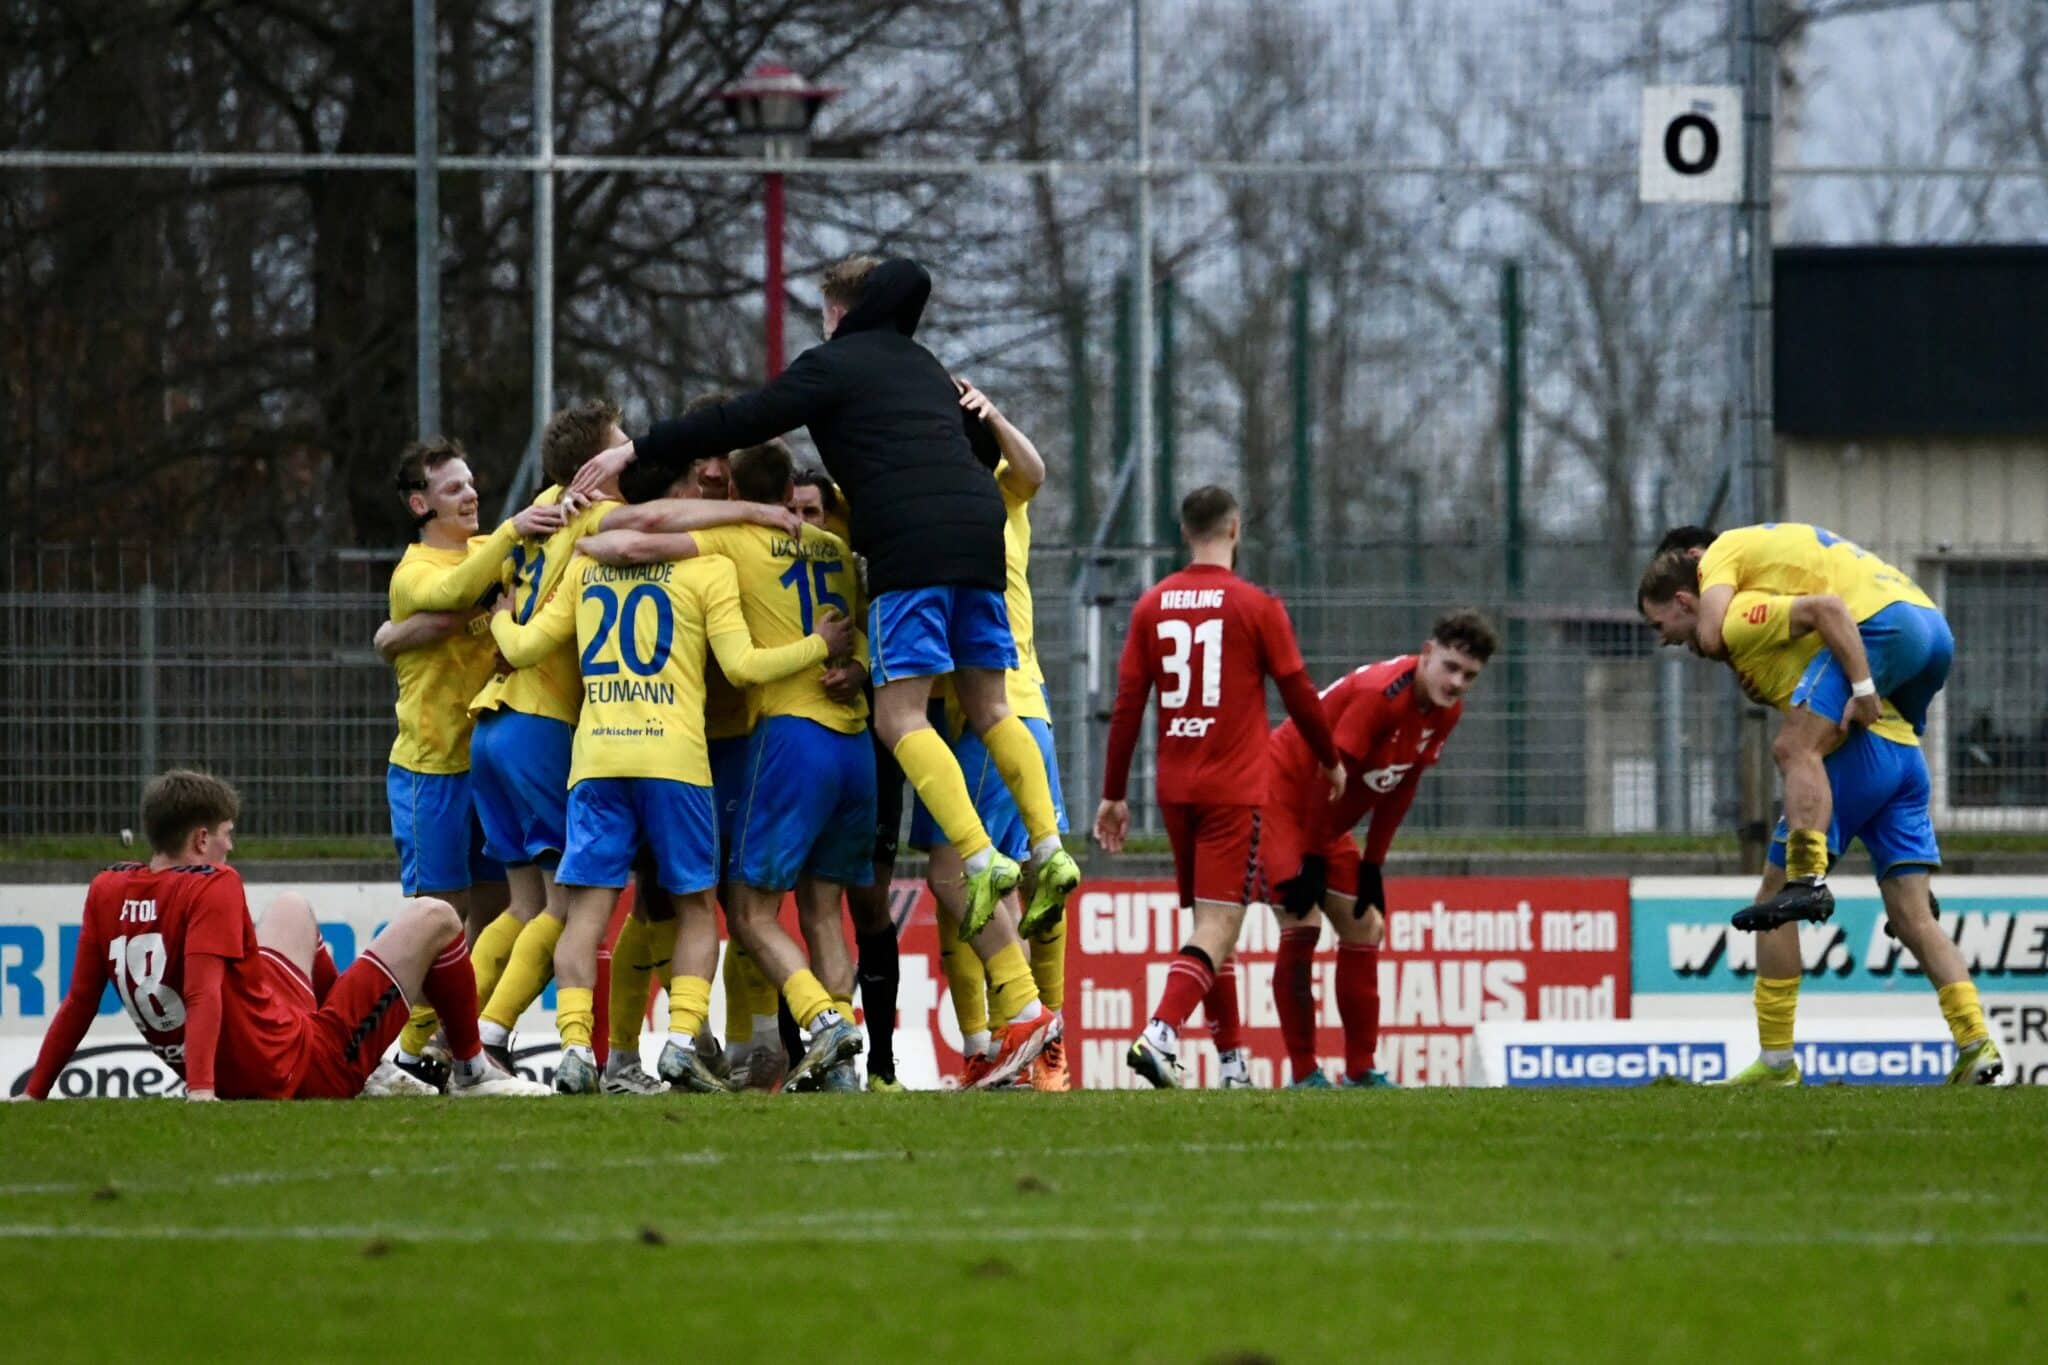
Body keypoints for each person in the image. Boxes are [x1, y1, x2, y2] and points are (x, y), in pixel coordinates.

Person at [567, 255, 1081, 940]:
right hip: (982, 534)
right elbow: (984, 441)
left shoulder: (833, 364)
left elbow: (739, 417)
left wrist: (638, 449)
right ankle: (1049, 848)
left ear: (838, 313)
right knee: (991, 704)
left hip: (910, 545)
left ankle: (983, 859)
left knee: (900, 718)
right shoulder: (925, 363)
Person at [488, 530, 852, 1094]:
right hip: (675, 759)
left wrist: (500, 619)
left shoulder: (588, 568)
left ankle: (576, 1050)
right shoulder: (705, 569)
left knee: (587, 912)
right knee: (698, 908)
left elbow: (522, 649)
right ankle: (682, 1043)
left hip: (599, 759)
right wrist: (817, 646)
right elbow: (742, 666)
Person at [579, 438, 881, 1092]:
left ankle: (821, 1023)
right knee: (824, 908)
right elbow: (861, 630)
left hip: (785, 738)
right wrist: (857, 666)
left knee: (745, 913)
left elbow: (636, 540)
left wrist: (584, 545)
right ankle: (841, 1073)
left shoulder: (736, 540)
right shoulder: (832, 546)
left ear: (736, 490)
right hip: (854, 743)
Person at [1638, 550, 2002, 1085]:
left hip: (1861, 755)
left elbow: (1823, 620)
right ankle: (1978, 1046)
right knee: (1913, 917)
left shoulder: (1743, 611)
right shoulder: (1759, 620)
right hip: (1906, 759)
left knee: (1773, 898)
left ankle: (1778, 1061)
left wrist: (1854, 695)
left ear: (1686, 599)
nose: (1663, 637)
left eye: (1659, 623)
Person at [15, 770, 548, 1102]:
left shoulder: (108, 887)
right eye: (226, 837)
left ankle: (368, 1068)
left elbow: (81, 1000)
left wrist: (35, 1092)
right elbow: (200, 994)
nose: (231, 849)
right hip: (296, 1070)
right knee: (436, 917)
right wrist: (201, 1092)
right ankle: (471, 1068)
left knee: (292, 907)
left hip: (256, 1046)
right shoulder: (213, 885)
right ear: (201, 839)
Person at [1094, 486, 1344, 1090]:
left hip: (1175, 787)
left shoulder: (1152, 604)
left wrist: (1114, 793)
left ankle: (1232, 1066)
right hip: (1233, 788)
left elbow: (1128, 704)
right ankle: (1161, 1033)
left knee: (1210, 921)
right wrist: (1329, 758)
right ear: (1235, 529)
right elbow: (1299, 690)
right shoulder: (1257, 605)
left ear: (1185, 533)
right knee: (1220, 925)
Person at [1639, 523, 1952, 929]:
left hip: (1881, 624)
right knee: (1891, 737)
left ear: (1696, 560)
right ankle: (1912, 886)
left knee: (1796, 748)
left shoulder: (1720, 557)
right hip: (1930, 624)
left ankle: (1807, 880)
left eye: (1661, 626)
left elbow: (1715, 635)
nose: (1665, 639)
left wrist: (1861, 686)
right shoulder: (1770, 571)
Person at [377, 436, 564, 1086]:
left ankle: (453, 1051)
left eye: (472, 482)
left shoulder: (491, 557)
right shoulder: (414, 570)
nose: (472, 494)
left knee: (491, 909)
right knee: (438, 918)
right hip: (431, 769)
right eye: (454, 487)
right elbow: (456, 590)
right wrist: (513, 532)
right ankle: (398, 1050)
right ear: (419, 503)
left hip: (487, 766)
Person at [909, 379, 1071, 1090]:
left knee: (961, 876)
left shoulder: (947, 509)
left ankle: (1022, 1032)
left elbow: (1032, 469)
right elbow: (1033, 470)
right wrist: (997, 415)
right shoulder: (1002, 502)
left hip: (981, 716)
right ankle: (1022, 1049)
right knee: (1029, 883)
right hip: (1027, 709)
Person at [1263, 611, 1495, 1089]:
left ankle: (1359, 1069)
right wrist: (1311, 858)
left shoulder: (1445, 711)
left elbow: (1401, 785)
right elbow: (1327, 776)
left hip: (1322, 817)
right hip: (1279, 798)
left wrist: (1372, 864)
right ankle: (1305, 1072)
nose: (1456, 682)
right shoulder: (1379, 696)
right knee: (1301, 920)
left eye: (1469, 675)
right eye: (1449, 667)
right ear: (1426, 654)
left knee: (1366, 924)